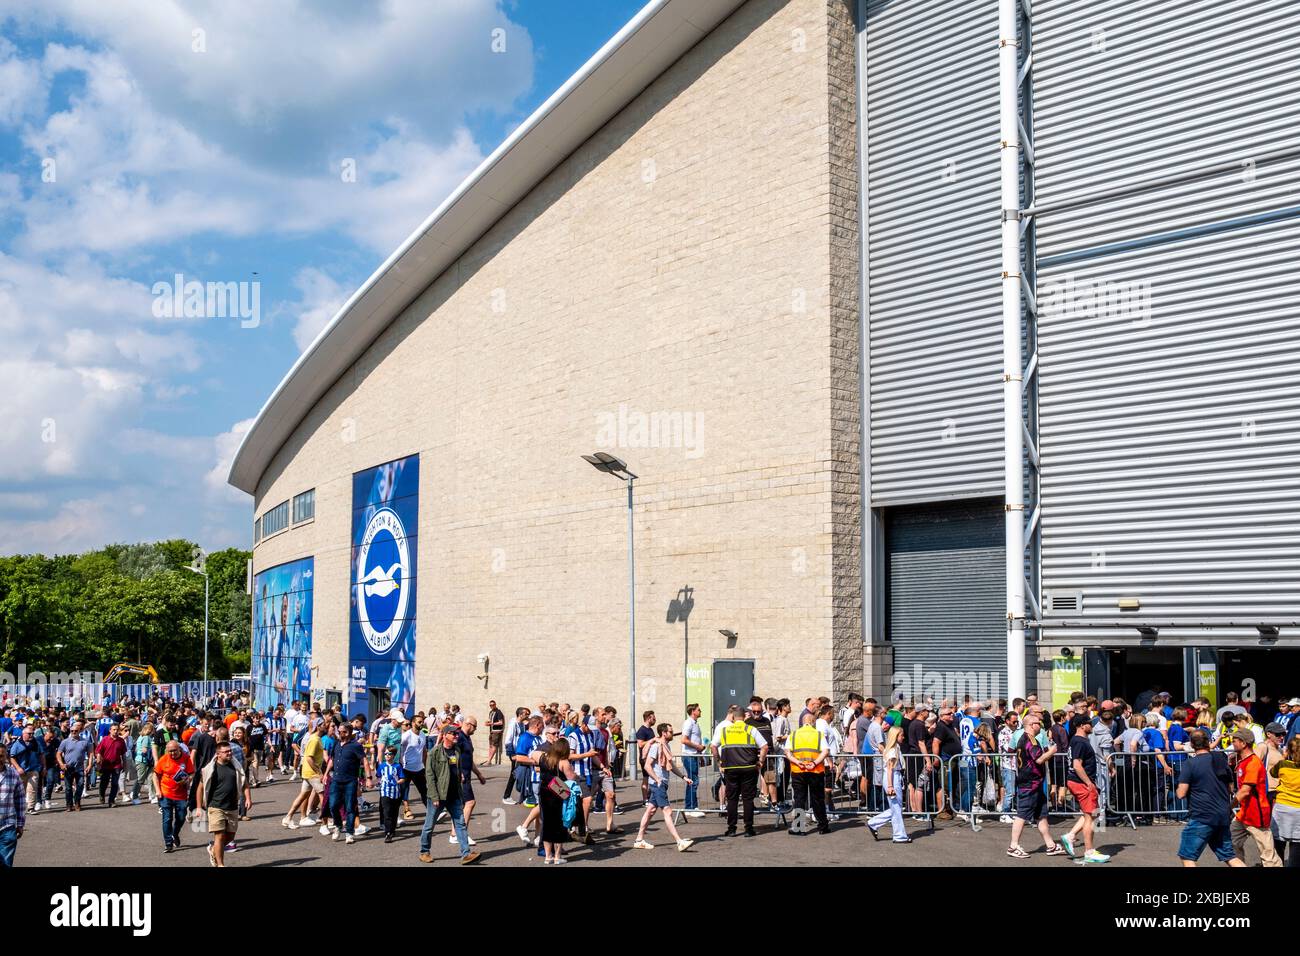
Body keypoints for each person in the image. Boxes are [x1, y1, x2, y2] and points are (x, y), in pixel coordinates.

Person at [1176, 728, 1244, 867]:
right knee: (1229, 856)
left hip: (1202, 816)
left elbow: (1181, 793)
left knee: (1187, 856)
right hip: (1222, 815)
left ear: (1192, 744)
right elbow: (1231, 788)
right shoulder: (1220, 760)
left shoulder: (1191, 764)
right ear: (1208, 742)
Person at [419, 723, 481, 864]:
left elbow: (456, 767)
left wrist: (460, 776)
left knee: (460, 824)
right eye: (453, 733)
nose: (456, 736)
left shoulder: (457, 750)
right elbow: (429, 776)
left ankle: (466, 854)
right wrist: (434, 796)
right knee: (429, 825)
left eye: (457, 733)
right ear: (445, 735)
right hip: (438, 796)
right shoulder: (434, 753)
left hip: (454, 795)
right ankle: (424, 851)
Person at [1007, 715, 1065, 859]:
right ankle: (1013, 846)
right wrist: (1051, 751)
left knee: (1041, 815)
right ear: (1032, 725)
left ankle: (1050, 845)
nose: (1041, 726)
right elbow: (1039, 759)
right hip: (1029, 783)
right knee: (1022, 815)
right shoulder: (1030, 740)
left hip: (1036, 783)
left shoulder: (1025, 739)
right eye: (1038, 723)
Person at [633, 722, 694, 851]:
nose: (672, 734)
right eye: (670, 732)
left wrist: (684, 777)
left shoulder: (666, 746)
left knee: (650, 811)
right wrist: (657, 779)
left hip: (661, 783)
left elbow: (670, 765)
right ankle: (679, 842)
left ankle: (639, 840)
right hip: (657, 784)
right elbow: (647, 765)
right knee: (668, 811)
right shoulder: (656, 746)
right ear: (663, 733)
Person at [711, 704, 767, 837]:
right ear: (744, 716)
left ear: (733, 717)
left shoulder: (725, 730)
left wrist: (719, 761)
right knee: (748, 799)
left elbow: (713, 746)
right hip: (748, 768)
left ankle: (731, 829)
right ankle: (748, 829)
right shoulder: (751, 729)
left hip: (730, 768)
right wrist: (760, 762)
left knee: (732, 799)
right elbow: (764, 746)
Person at [1059, 715, 1110, 863]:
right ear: (1081, 725)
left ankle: (1070, 836)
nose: (1091, 725)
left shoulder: (1078, 741)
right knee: (1091, 816)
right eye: (1089, 723)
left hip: (1078, 782)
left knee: (1092, 813)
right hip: (1081, 782)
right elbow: (1076, 765)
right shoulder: (1079, 742)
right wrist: (1089, 783)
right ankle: (1089, 851)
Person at [1230, 728, 1280, 866]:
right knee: (1231, 842)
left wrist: (1228, 807)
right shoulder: (1243, 761)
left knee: (1268, 854)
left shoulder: (1253, 763)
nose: (1231, 743)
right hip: (1244, 813)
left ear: (1243, 743)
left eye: (1234, 741)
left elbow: (1245, 790)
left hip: (1256, 814)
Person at [197, 741, 251, 867]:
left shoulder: (236, 766)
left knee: (230, 837)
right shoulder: (210, 769)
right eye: (226, 752)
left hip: (232, 807)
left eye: (230, 751)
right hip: (216, 806)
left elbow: (245, 784)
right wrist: (199, 807)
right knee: (220, 835)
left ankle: (213, 849)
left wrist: (248, 798)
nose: (230, 753)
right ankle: (220, 864)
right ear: (218, 754)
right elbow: (200, 789)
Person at [866, 712, 910, 843]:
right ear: (896, 736)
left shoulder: (895, 748)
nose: (903, 737)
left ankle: (874, 823)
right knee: (896, 808)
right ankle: (899, 835)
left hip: (894, 778)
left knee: (895, 808)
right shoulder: (892, 750)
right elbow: (890, 769)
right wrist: (890, 786)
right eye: (901, 735)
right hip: (892, 778)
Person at [785, 712, 830, 834]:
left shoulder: (793, 735)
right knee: (818, 799)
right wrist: (815, 763)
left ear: (802, 722)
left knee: (799, 799)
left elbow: (787, 752)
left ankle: (799, 828)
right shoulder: (818, 735)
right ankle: (823, 826)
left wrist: (797, 762)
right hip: (815, 771)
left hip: (798, 770)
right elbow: (825, 751)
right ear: (813, 722)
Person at [327, 723, 371, 844]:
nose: (341, 734)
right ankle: (338, 825)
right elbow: (332, 759)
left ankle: (349, 833)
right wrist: (326, 773)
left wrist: (369, 778)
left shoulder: (356, 746)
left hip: (350, 781)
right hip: (335, 779)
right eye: (340, 731)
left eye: (344, 732)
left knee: (350, 807)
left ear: (350, 732)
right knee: (333, 805)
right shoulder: (336, 744)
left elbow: (365, 762)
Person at [154, 739, 194, 853]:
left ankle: (175, 834)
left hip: (181, 795)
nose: (172, 753)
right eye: (170, 751)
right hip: (166, 793)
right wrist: (157, 790)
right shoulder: (164, 759)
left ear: (179, 749)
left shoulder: (186, 759)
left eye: (174, 751)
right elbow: (155, 775)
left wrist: (187, 779)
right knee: (167, 819)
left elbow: (191, 773)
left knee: (181, 817)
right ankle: (168, 843)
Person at [1268, 736, 1300, 867]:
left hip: (1282, 807)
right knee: (1297, 845)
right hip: (1298, 809)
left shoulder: (1283, 765)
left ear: (1289, 751)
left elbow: (1272, 772)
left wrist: (1284, 756)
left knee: (1278, 843)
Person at [56, 721, 91, 811]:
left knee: (80, 786)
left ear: (79, 731)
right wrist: (61, 764)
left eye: (76, 731)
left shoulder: (85, 742)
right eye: (72, 731)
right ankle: (69, 804)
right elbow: (58, 753)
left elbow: (90, 753)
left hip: (80, 767)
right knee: (68, 788)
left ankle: (77, 802)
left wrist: (89, 765)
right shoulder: (65, 742)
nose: (74, 732)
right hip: (68, 767)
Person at [0, 744, 24, 868]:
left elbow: (20, 800)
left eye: (1, 756)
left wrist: (20, 824)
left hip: (7, 827)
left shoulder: (13, 774)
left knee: (6, 863)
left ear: (6, 756)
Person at [680, 703, 706, 817]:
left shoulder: (695, 723)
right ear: (693, 712)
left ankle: (693, 805)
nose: (700, 711)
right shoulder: (688, 723)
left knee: (693, 780)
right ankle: (689, 807)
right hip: (689, 755)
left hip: (694, 755)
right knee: (693, 780)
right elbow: (684, 740)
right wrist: (698, 747)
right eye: (698, 710)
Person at [93, 722, 128, 807]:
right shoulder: (105, 739)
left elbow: (123, 754)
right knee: (104, 782)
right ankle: (102, 795)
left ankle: (111, 801)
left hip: (117, 765)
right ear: (110, 730)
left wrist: (125, 765)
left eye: (117, 730)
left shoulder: (121, 741)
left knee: (115, 783)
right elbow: (98, 751)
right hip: (106, 764)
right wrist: (98, 758)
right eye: (114, 730)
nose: (115, 731)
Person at [376, 746, 404, 842]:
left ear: (394, 755)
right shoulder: (382, 766)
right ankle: (388, 833)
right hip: (385, 791)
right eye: (386, 754)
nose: (387, 756)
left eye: (389, 754)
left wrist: (397, 782)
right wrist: (380, 782)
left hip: (395, 792)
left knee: (394, 812)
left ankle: (392, 830)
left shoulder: (398, 766)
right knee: (386, 811)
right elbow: (378, 776)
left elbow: (402, 778)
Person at [486, 700, 505, 765]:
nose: (492, 706)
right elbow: (490, 720)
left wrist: (492, 723)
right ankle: (489, 760)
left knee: (494, 745)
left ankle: (489, 760)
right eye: (490, 705)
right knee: (490, 745)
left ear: (495, 705)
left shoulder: (498, 712)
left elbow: (501, 722)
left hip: (497, 731)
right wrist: (488, 723)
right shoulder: (491, 712)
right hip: (491, 731)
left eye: (493, 705)